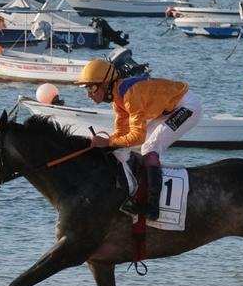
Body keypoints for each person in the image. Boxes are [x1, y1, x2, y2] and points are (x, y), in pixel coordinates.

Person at [74, 58, 203, 220]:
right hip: (170, 109)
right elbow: (122, 134)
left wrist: (107, 142)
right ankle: (133, 193)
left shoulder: (130, 95)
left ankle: (153, 206)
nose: (89, 94)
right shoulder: (118, 99)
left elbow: (137, 136)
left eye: (91, 87)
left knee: (150, 147)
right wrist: (106, 143)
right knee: (129, 149)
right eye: (86, 89)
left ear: (106, 84)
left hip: (187, 106)